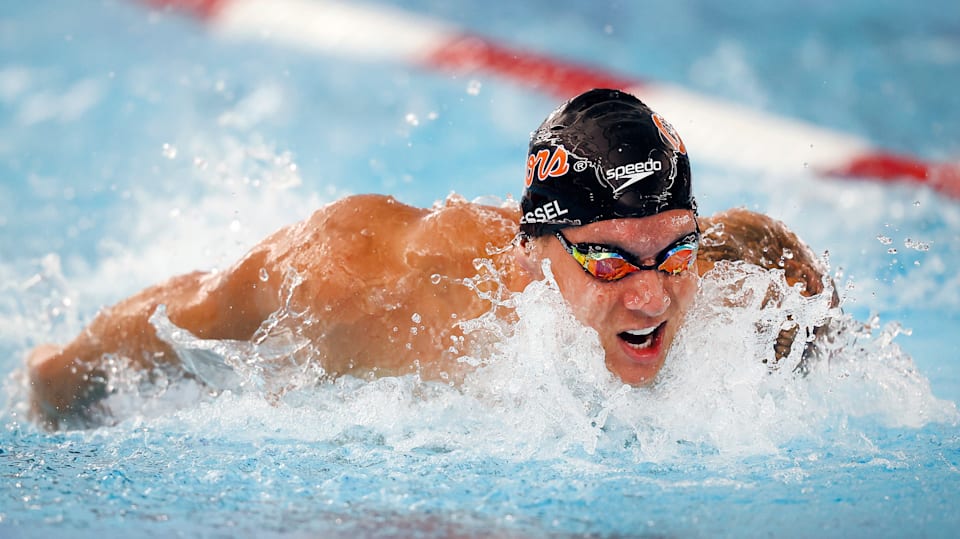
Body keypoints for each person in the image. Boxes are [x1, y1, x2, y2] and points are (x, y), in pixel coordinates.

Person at [26, 89, 829, 428]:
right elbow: (174, 319)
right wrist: (55, 385)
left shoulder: (739, 291)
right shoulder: (366, 285)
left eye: (673, 252)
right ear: (531, 256)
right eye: (611, 263)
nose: (652, 297)